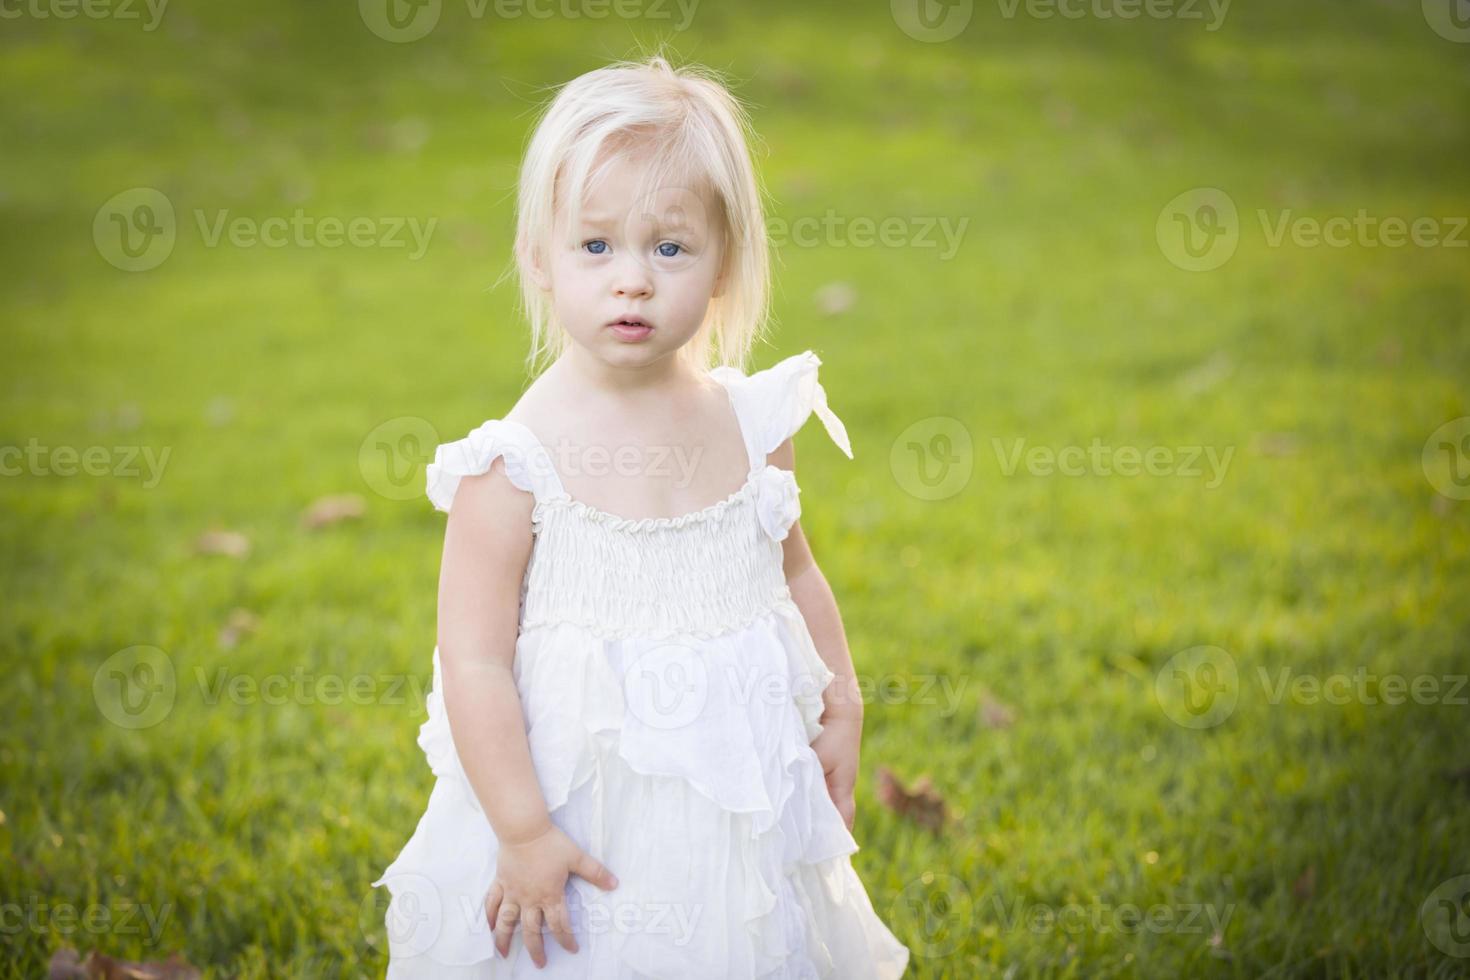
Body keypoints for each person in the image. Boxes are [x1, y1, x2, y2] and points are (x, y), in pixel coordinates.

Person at [372, 52, 911, 979]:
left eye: (669, 247)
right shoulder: (512, 468)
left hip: (729, 820)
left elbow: (794, 573)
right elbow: (473, 663)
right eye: (596, 247)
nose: (633, 280)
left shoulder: (753, 427)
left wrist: (843, 701)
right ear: (538, 259)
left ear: (724, 264)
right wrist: (525, 830)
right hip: (577, 830)